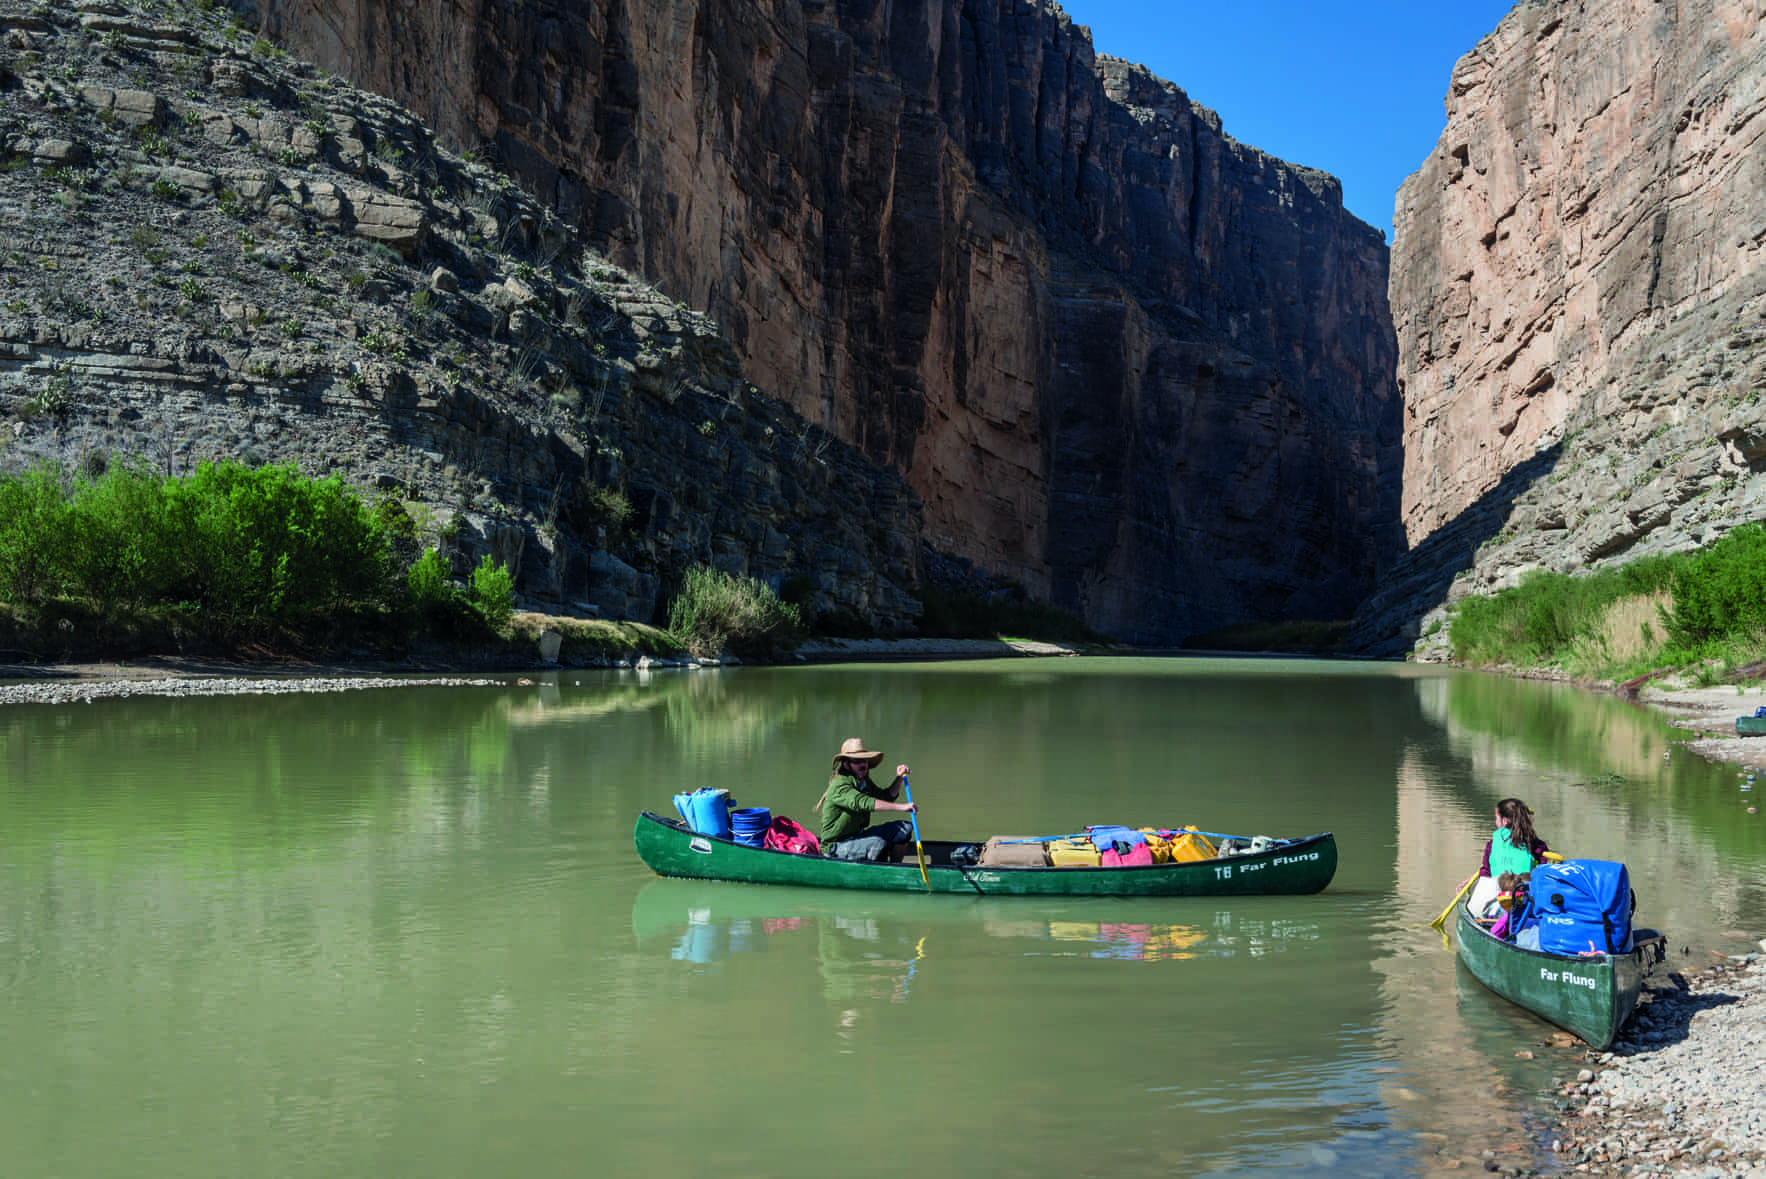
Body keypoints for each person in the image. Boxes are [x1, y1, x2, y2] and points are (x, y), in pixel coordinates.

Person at [818, 737, 915, 861]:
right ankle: (884, 876)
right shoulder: (840, 784)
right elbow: (863, 802)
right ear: (846, 765)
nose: (863, 764)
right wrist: (902, 807)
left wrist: (899, 778)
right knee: (878, 844)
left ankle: (896, 871)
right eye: (857, 761)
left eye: (865, 760)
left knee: (904, 828)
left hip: (858, 837)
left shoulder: (864, 782)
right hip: (835, 846)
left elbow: (887, 797)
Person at [1468, 798, 1550, 918]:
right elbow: (1544, 872)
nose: (1496, 822)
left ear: (1505, 821)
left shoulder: (1492, 844)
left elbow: (1486, 873)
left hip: (1495, 903)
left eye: (1497, 818)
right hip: (1523, 900)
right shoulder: (1538, 845)